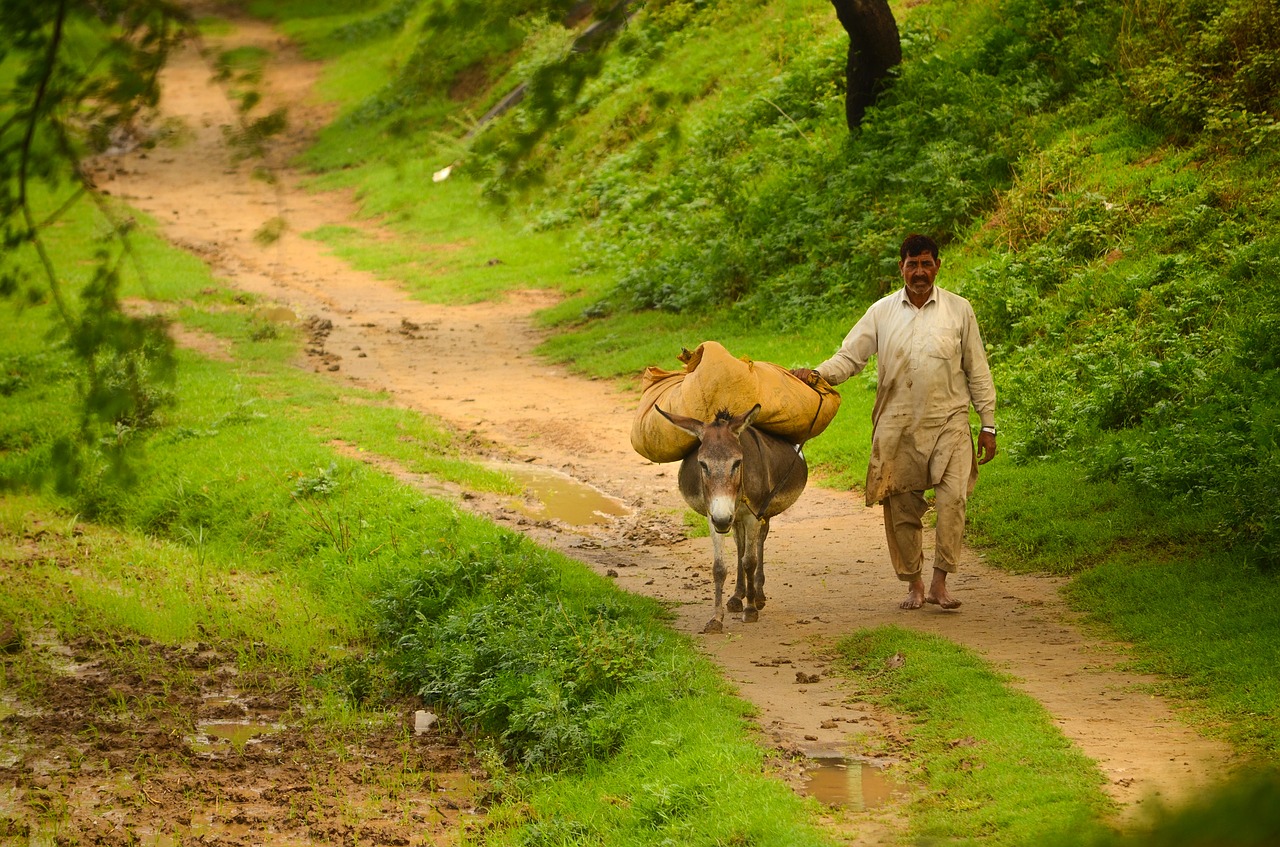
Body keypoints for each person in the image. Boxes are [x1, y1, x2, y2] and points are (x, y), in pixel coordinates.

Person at [792, 234, 997, 610]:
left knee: (953, 502)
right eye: (912, 264)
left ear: (937, 265)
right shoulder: (881, 312)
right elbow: (849, 358)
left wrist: (988, 423)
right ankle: (915, 584)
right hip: (897, 424)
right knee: (902, 508)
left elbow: (977, 369)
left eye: (926, 263)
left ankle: (940, 583)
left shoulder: (959, 310)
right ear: (900, 267)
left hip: (949, 421)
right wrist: (817, 374)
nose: (920, 272)